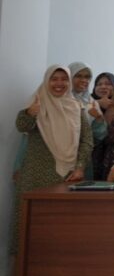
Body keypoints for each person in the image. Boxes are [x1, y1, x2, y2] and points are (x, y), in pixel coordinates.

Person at [11, 66, 92, 253]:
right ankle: (22, 270)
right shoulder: (36, 102)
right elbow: (21, 126)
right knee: (30, 226)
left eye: (64, 79)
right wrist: (30, 113)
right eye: (54, 79)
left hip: (67, 177)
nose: (59, 83)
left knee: (60, 227)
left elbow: (87, 140)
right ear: (46, 81)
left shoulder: (76, 107)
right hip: (35, 177)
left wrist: (80, 167)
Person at [69, 61, 106, 179]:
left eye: (87, 77)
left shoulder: (91, 102)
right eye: (78, 76)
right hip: (57, 154)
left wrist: (98, 119)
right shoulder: (59, 100)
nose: (84, 80)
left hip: (83, 157)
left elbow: (99, 136)